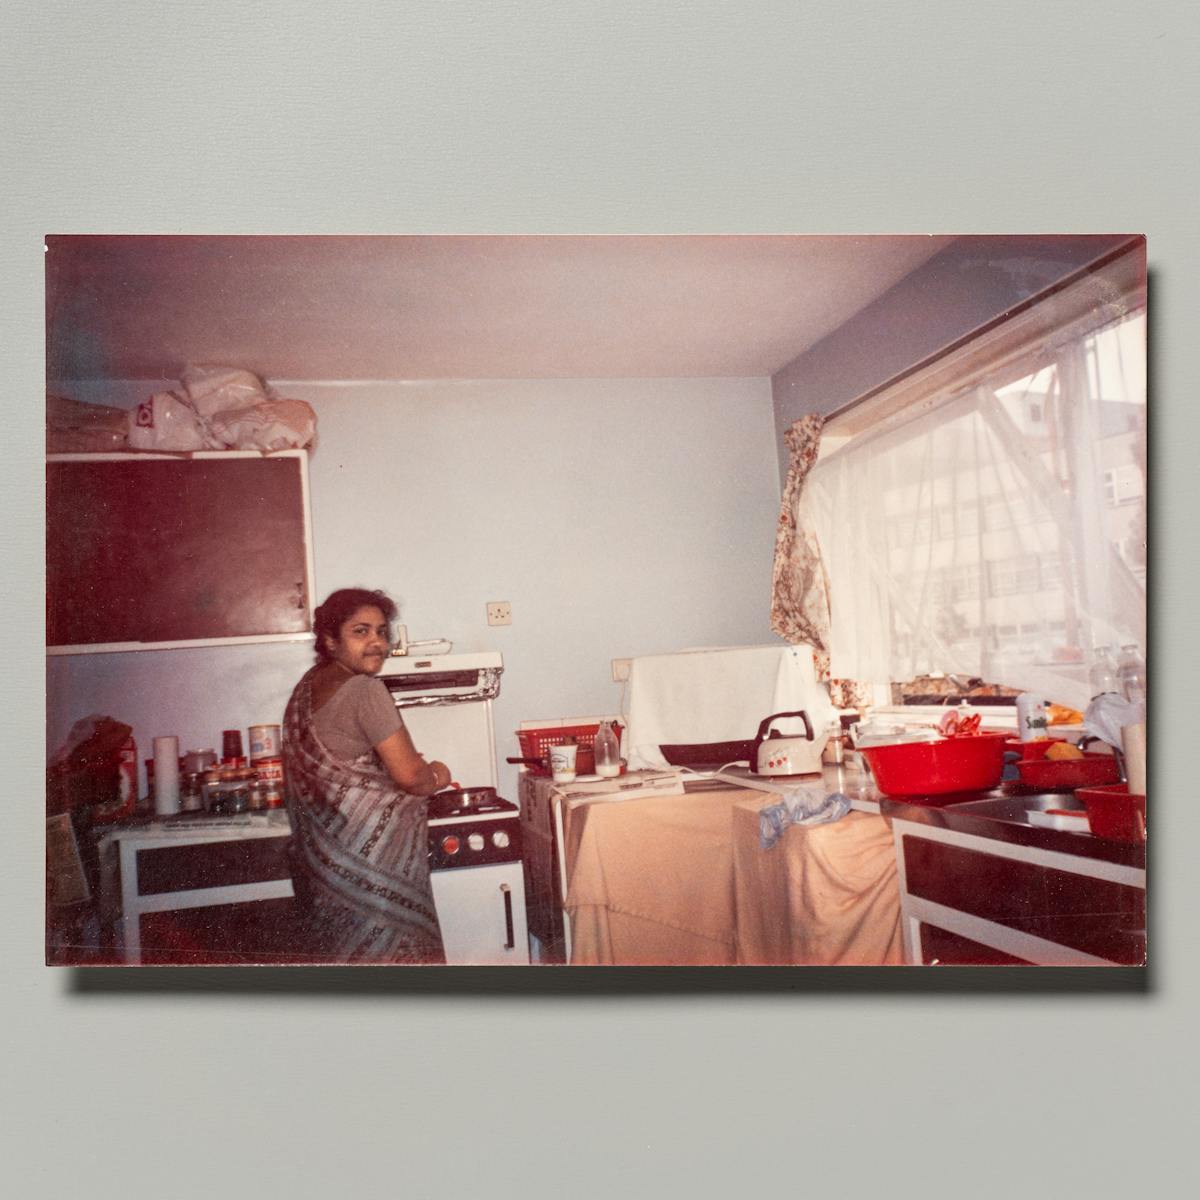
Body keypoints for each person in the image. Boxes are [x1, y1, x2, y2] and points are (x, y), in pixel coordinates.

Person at [282, 587, 453, 963]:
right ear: (330, 640)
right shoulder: (365, 690)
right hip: (375, 878)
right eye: (361, 632)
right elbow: (411, 776)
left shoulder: (306, 690)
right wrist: (438, 775)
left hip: (328, 877)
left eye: (381, 631)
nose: (376, 642)